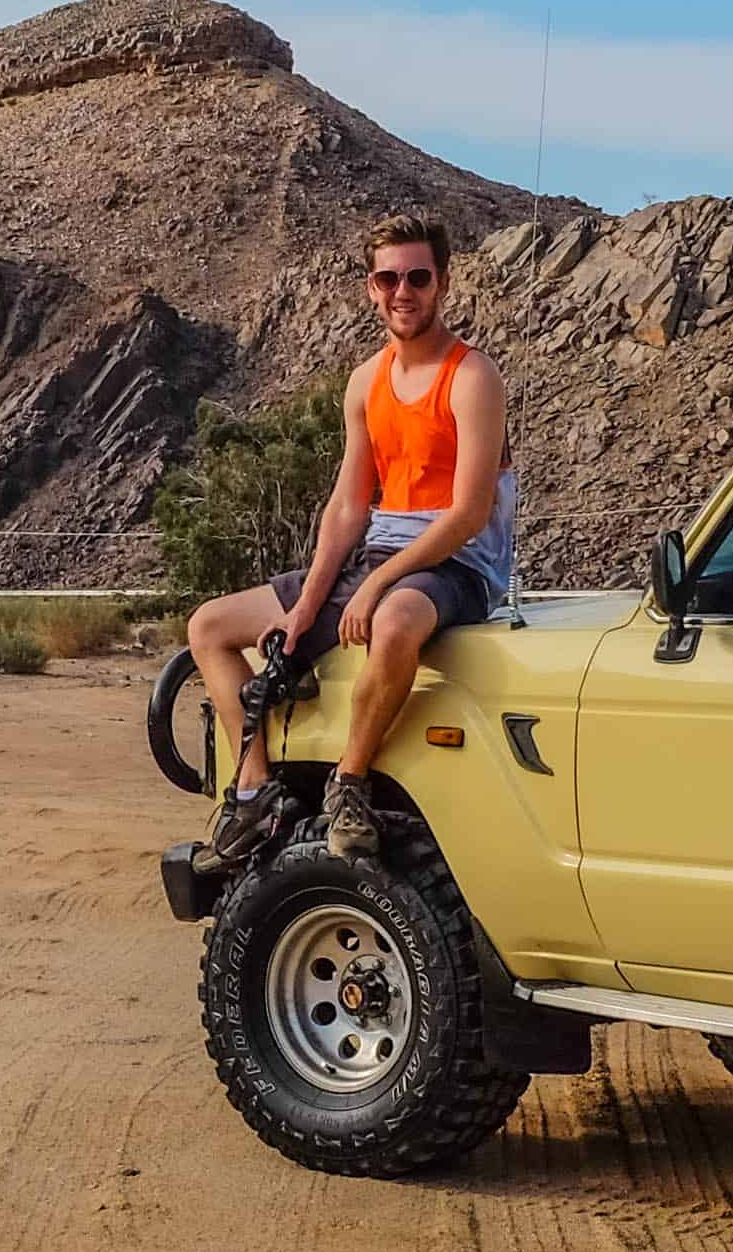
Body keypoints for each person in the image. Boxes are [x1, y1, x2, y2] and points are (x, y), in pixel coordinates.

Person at [183, 212, 515, 869]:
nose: (403, 291)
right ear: (370, 287)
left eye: (417, 277)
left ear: (442, 283)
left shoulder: (472, 377)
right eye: (387, 278)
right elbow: (346, 504)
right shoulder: (366, 381)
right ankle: (253, 792)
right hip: (375, 555)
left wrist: (373, 586)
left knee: (391, 626)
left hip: (451, 564)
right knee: (210, 627)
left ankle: (350, 782)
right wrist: (307, 604)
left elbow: (471, 512)